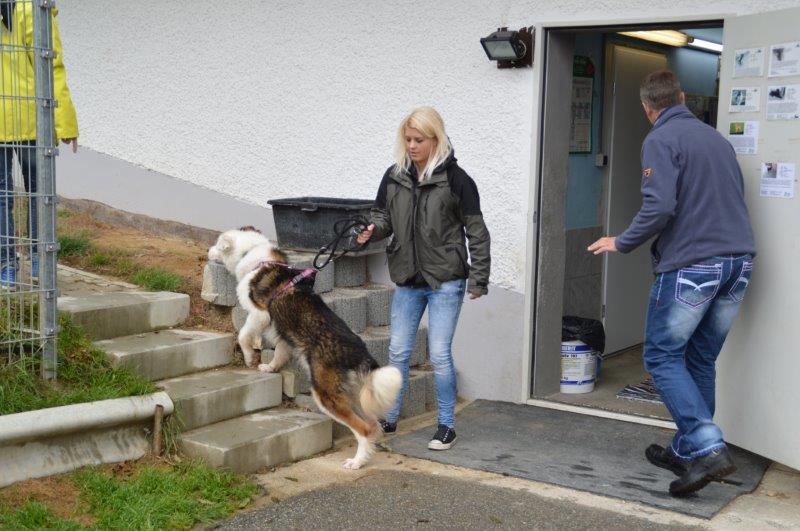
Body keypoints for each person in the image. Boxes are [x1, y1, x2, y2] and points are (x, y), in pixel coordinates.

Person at [588, 70, 756, 497]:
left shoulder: (660, 139)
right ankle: (686, 450)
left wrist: (622, 241)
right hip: (738, 264)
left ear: (648, 109)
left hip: (694, 266)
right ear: (682, 98)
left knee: (662, 356)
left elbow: (660, 206)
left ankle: (707, 447)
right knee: (700, 358)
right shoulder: (716, 139)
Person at [357, 106, 490, 450]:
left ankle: (446, 425)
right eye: (408, 139)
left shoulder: (457, 180)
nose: (412, 146)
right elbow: (382, 218)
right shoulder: (394, 176)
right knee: (398, 351)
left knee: (439, 355)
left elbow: (477, 233)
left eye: (419, 140)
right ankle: (390, 418)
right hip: (408, 278)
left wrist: (479, 278)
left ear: (435, 139)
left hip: (445, 280)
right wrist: (372, 231)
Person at [1, 1, 78, 286]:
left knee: (1, 196)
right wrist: (65, 121)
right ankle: (39, 263)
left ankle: (6, 267)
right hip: (33, 119)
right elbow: (51, 67)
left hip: (17, 119)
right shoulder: (34, 9)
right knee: (39, 193)